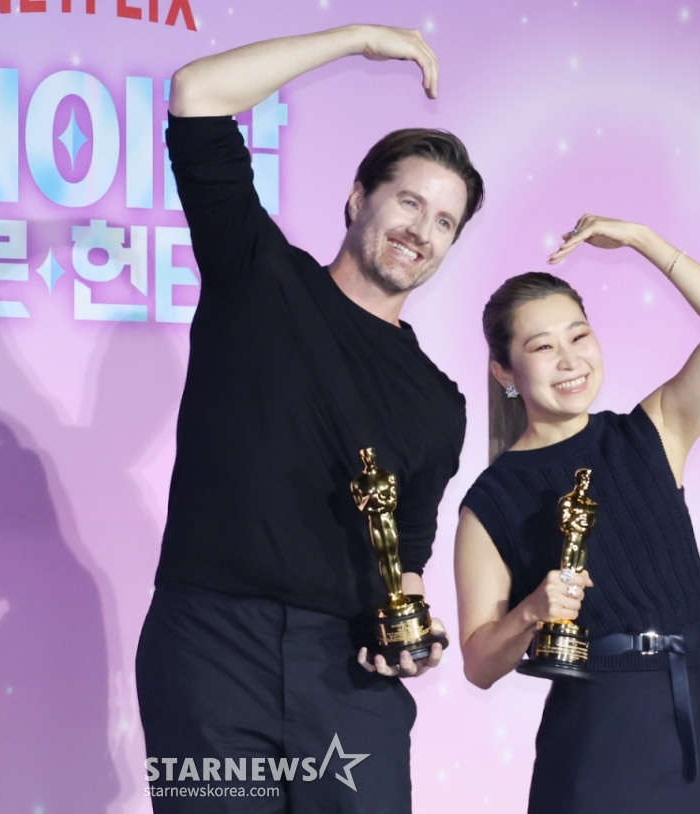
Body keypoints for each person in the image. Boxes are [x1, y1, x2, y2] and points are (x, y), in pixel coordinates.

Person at [135, 25, 484, 813]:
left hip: (351, 674)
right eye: (408, 200)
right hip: (213, 647)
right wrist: (358, 38)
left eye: (443, 222)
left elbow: (408, 554)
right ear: (359, 197)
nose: (420, 231)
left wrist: (412, 636)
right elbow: (197, 96)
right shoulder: (259, 276)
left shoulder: (440, 402)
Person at [454, 215, 700, 813]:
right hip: (599, 731)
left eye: (579, 336)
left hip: (699, 704)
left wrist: (641, 240)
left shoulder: (651, 432)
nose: (569, 360)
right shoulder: (490, 501)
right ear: (505, 374)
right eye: (542, 347)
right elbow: (479, 663)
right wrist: (530, 613)